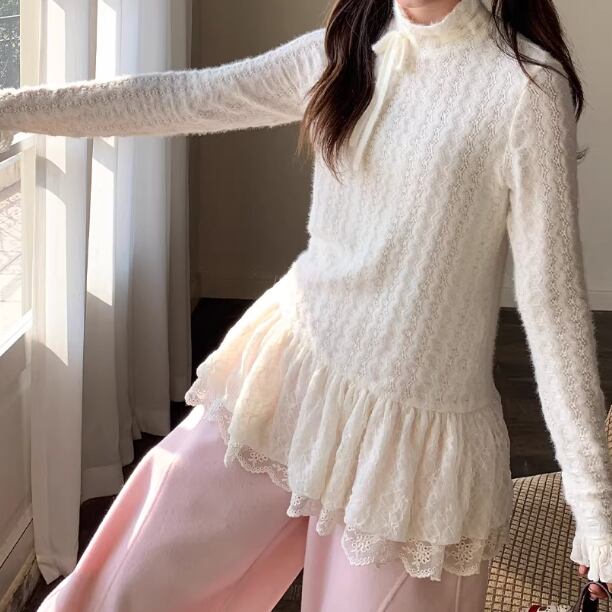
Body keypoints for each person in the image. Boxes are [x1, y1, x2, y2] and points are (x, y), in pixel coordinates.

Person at [1, 0, 611, 609]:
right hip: (287, 381)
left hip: (413, 453)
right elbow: (185, 98)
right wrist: (13, 108)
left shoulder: (526, 88)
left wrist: (594, 509)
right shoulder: (344, 52)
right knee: (116, 589)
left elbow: (552, 305)